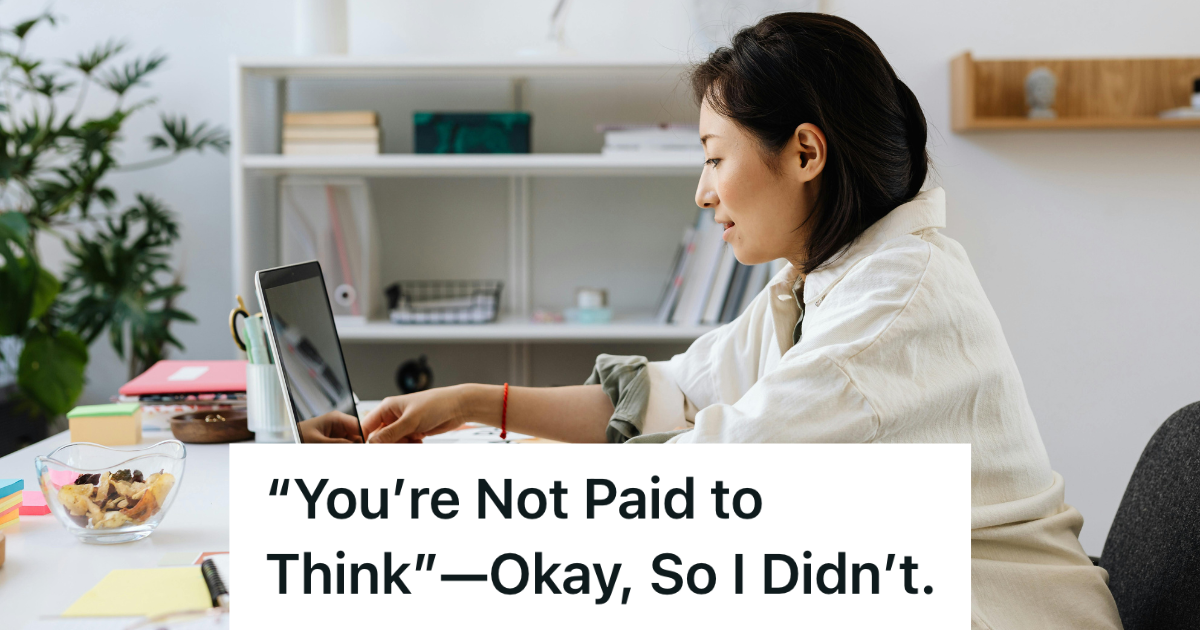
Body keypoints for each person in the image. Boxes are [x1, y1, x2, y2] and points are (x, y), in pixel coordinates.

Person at [348, 13, 1122, 628]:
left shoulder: (890, 308)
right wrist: (470, 405)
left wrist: (452, 487)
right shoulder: (825, 278)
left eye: (715, 157)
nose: (703, 190)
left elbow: (704, 478)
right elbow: (672, 395)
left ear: (806, 153)